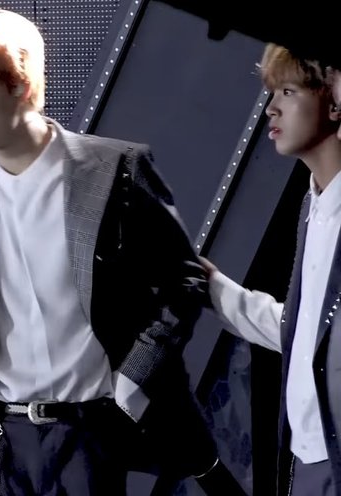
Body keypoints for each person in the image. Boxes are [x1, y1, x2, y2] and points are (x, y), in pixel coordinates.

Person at [0, 7, 236, 496]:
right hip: (5, 443)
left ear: (19, 85)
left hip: (100, 432)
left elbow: (183, 282)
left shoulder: (115, 169)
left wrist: (132, 378)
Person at [201, 43, 341, 495]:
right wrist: (212, 288)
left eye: (288, 91)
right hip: (308, 458)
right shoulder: (313, 207)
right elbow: (304, 332)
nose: (271, 109)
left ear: (334, 101)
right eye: (272, 93)